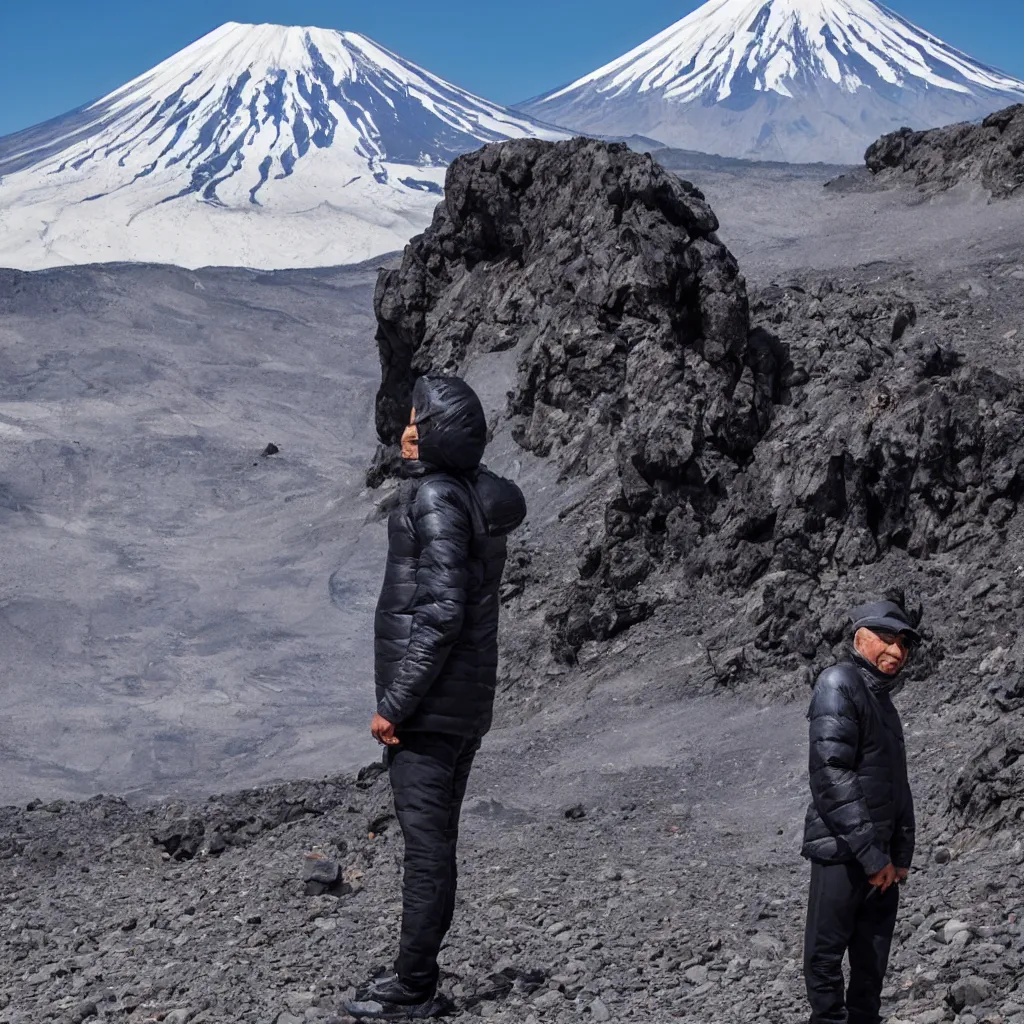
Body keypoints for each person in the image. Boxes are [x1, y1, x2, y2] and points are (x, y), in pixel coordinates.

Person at [347, 374, 526, 1021]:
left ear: (445, 434)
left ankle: (413, 987)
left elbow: (441, 613)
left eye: (419, 425)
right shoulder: (474, 497)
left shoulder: (436, 500)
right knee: (435, 846)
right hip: (462, 707)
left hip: (431, 711)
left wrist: (394, 704)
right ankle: (414, 974)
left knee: (425, 851)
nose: (405, 434)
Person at [802, 599, 922, 1024]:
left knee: (871, 965)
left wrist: (899, 856)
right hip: (841, 852)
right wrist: (873, 857)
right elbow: (830, 775)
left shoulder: (882, 702)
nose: (896, 651)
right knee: (826, 956)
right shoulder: (839, 682)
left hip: (881, 861)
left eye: (903, 643)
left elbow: (896, 783)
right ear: (860, 638)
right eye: (887, 638)